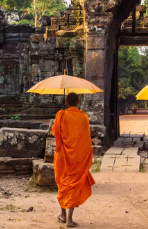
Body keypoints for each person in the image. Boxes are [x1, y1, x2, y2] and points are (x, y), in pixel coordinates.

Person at [52, 92, 96, 227]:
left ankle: (63, 215)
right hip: (78, 157)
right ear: (78, 102)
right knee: (73, 185)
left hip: (63, 157)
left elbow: (55, 133)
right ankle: (69, 219)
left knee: (63, 183)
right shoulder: (84, 117)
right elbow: (86, 139)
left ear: (66, 102)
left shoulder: (61, 115)